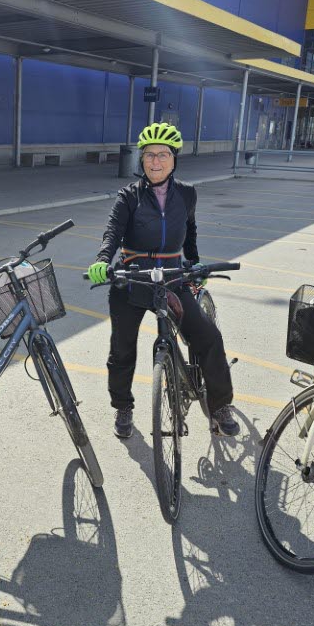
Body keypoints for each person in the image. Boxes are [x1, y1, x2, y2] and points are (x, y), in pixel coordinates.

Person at [87, 122, 241, 439]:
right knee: (121, 350)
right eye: (149, 155)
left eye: (163, 155)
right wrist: (103, 260)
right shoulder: (128, 196)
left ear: (174, 159)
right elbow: (112, 232)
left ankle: (220, 406)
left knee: (208, 338)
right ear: (141, 159)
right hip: (132, 280)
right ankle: (123, 407)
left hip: (172, 279)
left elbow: (190, 231)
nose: (155, 161)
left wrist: (194, 264)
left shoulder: (187, 194)